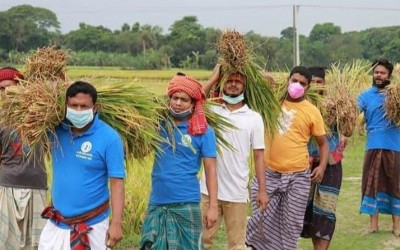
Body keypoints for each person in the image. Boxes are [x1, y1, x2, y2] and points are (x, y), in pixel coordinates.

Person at [246, 66, 329, 250]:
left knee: (291, 223)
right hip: (268, 173)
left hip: (298, 176)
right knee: (261, 218)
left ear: (308, 88)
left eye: (302, 83)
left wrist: (322, 167)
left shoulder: (312, 111)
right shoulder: (271, 102)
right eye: (294, 80)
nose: (297, 85)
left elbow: (323, 143)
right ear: (287, 80)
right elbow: (256, 85)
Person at [38, 81, 125, 249]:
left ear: (95, 107)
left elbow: (117, 183)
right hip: (57, 223)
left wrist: (116, 223)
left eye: (84, 106)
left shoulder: (109, 138)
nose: (78, 111)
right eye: (73, 105)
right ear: (65, 106)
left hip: (93, 226)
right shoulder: (56, 131)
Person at [140, 73, 218, 250]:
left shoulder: (203, 131)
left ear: (193, 104)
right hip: (157, 201)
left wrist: (213, 206)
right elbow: (141, 150)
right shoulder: (158, 125)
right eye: (174, 98)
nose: (177, 103)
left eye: (184, 99)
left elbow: (211, 170)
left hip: (186, 202)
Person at [200, 65, 268, 250]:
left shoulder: (254, 118)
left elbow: (259, 156)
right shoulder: (212, 111)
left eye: (238, 81)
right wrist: (214, 77)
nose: (233, 84)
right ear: (223, 83)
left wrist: (262, 190)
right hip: (207, 191)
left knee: (237, 245)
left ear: (245, 85)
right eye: (229, 80)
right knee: (201, 242)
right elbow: (195, 99)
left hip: (237, 192)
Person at [301, 66, 349, 250]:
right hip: (305, 163)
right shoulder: (302, 104)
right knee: (310, 211)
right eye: (311, 83)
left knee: (326, 211)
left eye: (319, 82)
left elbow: (348, 128)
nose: (315, 87)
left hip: (331, 164)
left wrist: (345, 134)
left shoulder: (335, 104)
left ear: (325, 84)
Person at [0, 67, 47, 250]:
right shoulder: (1, 119)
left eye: (10, 87)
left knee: (37, 244)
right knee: (5, 243)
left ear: (21, 87)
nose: (6, 93)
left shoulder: (39, 114)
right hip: (7, 186)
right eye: (1, 90)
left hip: (36, 186)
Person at [357, 59, 400, 235]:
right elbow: (353, 111)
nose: (379, 75)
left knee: (395, 184)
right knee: (371, 183)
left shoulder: (396, 94)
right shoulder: (365, 96)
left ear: (389, 75)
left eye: (382, 73)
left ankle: (397, 225)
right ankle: (373, 224)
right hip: (373, 145)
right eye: (376, 72)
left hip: (395, 145)